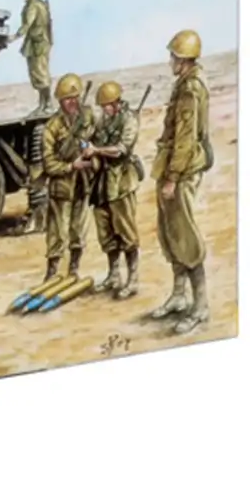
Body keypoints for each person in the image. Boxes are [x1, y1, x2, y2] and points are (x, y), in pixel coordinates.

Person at [150, 30, 211, 334]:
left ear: (184, 60)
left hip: (182, 170)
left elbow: (185, 139)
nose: (170, 61)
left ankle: (199, 307)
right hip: (174, 166)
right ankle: (178, 296)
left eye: (173, 56)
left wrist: (172, 178)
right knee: (171, 233)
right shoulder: (184, 83)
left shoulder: (190, 89)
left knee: (185, 235)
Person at [84, 81, 142, 298]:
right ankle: (114, 274)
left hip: (121, 183)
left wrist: (96, 150)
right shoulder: (103, 120)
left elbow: (121, 150)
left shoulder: (129, 120)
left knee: (126, 232)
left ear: (117, 103)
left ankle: (133, 279)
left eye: (107, 105)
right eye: (102, 106)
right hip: (102, 183)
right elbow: (91, 139)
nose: (104, 109)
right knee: (106, 231)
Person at [41, 73, 96, 281]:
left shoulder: (87, 117)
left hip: (83, 183)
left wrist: (92, 151)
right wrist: (71, 166)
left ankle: (74, 269)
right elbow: (49, 163)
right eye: (67, 99)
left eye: (75, 97)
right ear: (60, 101)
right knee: (57, 232)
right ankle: (52, 272)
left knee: (79, 229)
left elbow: (98, 137)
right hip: (62, 186)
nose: (72, 102)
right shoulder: (52, 127)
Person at [10, 0, 53, 115]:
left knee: (40, 74)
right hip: (38, 42)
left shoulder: (34, 5)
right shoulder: (37, 3)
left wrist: (14, 36)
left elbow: (27, 24)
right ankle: (42, 104)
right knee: (38, 74)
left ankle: (48, 104)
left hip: (38, 44)